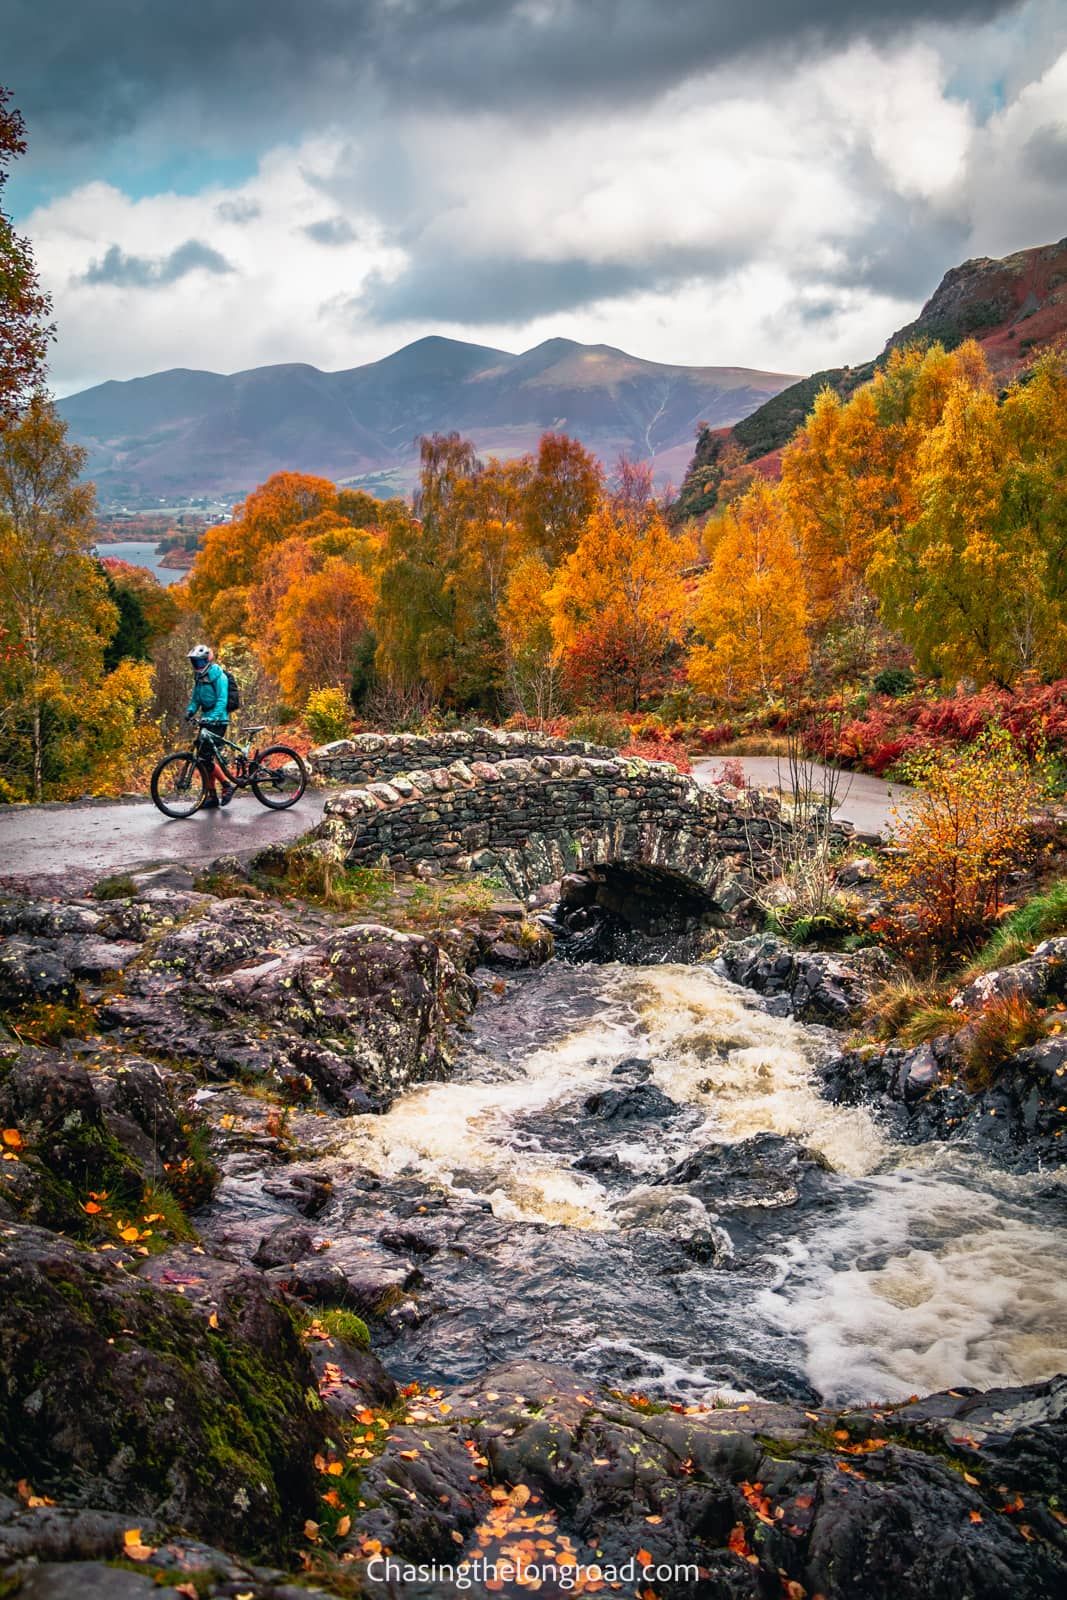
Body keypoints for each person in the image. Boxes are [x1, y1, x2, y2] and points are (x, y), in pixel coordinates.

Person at [185, 644, 235, 809]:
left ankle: (227, 785)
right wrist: (190, 711)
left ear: (206, 660)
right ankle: (212, 796)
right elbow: (195, 699)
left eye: (199, 662)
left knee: (205, 758)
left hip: (218, 721)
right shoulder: (199, 678)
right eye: (194, 663)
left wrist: (213, 717)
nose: (197, 666)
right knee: (204, 759)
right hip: (206, 720)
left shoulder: (219, 676)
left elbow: (222, 700)